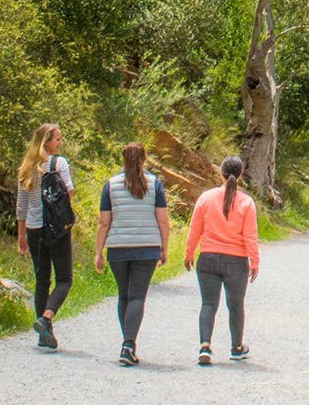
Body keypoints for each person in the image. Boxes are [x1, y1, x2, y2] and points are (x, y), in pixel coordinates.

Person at [94, 141, 170, 367]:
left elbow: (104, 222)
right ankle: (128, 344)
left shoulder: (111, 185)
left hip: (118, 248)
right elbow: (163, 220)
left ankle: (127, 343)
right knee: (137, 296)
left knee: (124, 295)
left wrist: (99, 251)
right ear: (144, 160)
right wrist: (164, 247)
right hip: (147, 248)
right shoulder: (155, 185)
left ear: (123, 159)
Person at [184, 155, 260, 366]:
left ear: (221, 173)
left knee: (209, 303)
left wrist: (189, 253)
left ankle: (205, 345)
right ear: (241, 175)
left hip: (208, 258)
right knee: (235, 305)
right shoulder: (246, 202)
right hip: (236, 261)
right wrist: (255, 261)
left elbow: (195, 229)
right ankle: (236, 347)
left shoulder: (206, 198)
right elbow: (250, 235)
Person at [15, 122, 73, 351]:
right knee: (65, 279)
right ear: (46, 142)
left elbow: (21, 205)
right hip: (56, 228)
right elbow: (69, 191)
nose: (60, 142)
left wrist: (21, 235)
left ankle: (43, 335)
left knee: (42, 281)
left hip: (33, 229)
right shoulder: (58, 163)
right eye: (57, 139)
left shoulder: (27, 166)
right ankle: (46, 318)